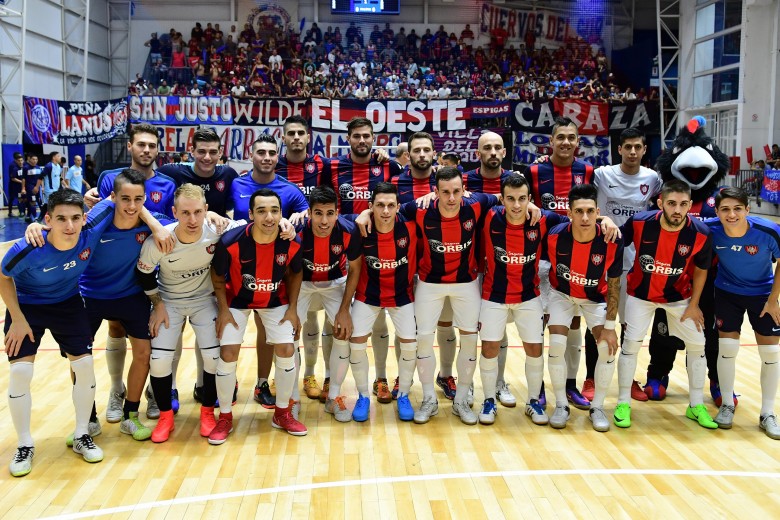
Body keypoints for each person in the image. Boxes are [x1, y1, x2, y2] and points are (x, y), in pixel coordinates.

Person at [23, 169, 172, 441]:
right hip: (89, 296)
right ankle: (88, 420)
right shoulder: (98, 218)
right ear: (112, 197)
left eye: (138, 199)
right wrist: (35, 224)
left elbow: (182, 225)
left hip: (131, 295)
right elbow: (63, 223)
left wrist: (212, 216)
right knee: (80, 360)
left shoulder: (151, 222)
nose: (131, 206)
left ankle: (130, 415)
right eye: (124, 198)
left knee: (143, 353)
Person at [1, 190, 115, 476]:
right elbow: (3, 276)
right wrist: (17, 318)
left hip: (68, 303)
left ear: (84, 218)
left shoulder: (90, 228)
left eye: (76, 218)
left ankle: (81, 435)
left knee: (85, 366)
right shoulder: (29, 247)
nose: (70, 226)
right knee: (20, 373)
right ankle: (24, 444)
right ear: (47, 220)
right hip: (26, 307)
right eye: (61, 219)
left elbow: (117, 199)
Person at [135, 184, 243, 443]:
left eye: (198, 212)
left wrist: (286, 223)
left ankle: (207, 412)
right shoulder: (159, 240)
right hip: (168, 301)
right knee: (160, 361)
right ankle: (165, 417)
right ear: (174, 212)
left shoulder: (216, 230)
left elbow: (250, 225)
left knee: (213, 359)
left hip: (204, 300)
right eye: (185, 213)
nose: (192, 220)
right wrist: (157, 304)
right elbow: (143, 274)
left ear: (206, 210)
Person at [615, 180, 717, 430]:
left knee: (698, 344)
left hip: (679, 297)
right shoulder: (640, 222)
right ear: (660, 203)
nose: (677, 210)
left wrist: (694, 304)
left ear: (690, 205)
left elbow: (702, 271)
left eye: (683, 204)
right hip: (640, 294)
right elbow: (615, 244)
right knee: (630, 345)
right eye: (671, 204)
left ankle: (695, 406)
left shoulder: (701, 233)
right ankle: (623, 403)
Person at [210, 188, 307, 443]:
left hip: (276, 300)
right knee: (228, 353)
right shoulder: (230, 242)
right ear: (251, 214)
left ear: (281, 214)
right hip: (236, 301)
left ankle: (282, 413)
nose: (269, 217)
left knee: (287, 349)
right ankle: (225, 417)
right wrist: (222, 310)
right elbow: (218, 277)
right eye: (261, 211)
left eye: (274, 211)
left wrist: (294, 309)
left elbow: (296, 274)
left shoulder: (291, 243)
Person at [580, 128, 662, 403]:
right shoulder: (602, 174)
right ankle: (591, 376)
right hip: (600, 258)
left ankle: (627, 380)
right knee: (599, 320)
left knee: (630, 325)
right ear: (619, 149)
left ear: (644, 149)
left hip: (635, 261)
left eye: (637, 147)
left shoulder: (652, 179)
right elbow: (573, 172)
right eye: (627, 146)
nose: (632, 152)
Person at [478, 174, 567, 426]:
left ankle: (532, 402)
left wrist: (605, 221)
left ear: (530, 199)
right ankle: (488, 399)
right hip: (494, 295)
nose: (516, 205)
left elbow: (577, 222)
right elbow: (467, 198)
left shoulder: (544, 219)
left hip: (529, 295)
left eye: (522, 199)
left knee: (534, 350)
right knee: (489, 349)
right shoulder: (489, 216)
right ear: (501, 200)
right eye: (510, 199)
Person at [229, 135, 308, 408]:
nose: (266, 157)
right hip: (237, 270)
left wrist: (292, 223)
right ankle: (226, 381)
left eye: (271, 153)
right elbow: (217, 213)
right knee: (227, 334)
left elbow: (305, 213)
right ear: (251, 155)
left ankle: (262, 382)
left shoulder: (288, 189)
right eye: (261, 152)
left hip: (271, 273)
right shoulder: (235, 183)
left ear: (278, 156)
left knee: (265, 330)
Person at [330, 117, 403, 403]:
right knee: (333, 323)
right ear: (348, 137)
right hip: (342, 251)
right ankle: (329, 380)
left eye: (367, 136)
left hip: (380, 251)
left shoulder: (388, 166)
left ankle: (381, 378)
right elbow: (325, 204)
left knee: (381, 319)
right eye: (357, 135)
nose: (362, 140)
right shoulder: (332, 167)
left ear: (374, 138)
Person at [525, 116, 595, 410]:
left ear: (578, 142)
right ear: (551, 141)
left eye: (571, 137)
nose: (566, 142)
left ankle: (570, 384)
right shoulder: (534, 170)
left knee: (574, 322)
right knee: (541, 325)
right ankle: (539, 386)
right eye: (560, 137)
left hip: (578, 257)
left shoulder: (588, 171)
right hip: (541, 259)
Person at [333, 183, 418, 422]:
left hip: (402, 296)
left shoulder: (411, 226)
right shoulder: (359, 228)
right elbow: (334, 215)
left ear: (398, 207)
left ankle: (403, 394)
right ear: (370, 207)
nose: (386, 211)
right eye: (379, 205)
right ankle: (362, 396)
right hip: (368, 296)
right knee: (357, 343)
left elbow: (433, 203)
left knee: (411, 345)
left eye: (391, 205)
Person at [543, 184, 623, 431]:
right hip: (561, 295)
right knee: (556, 345)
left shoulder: (611, 239)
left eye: (591, 211)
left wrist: (610, 326)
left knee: (608, 348)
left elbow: (614, 284)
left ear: (598, 212)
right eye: (579, 211)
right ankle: (560, 405)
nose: (585, 217)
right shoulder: (555, 234)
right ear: (569, 213)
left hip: (595, 298)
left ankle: (597, 406)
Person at [705, 187, 780, 438]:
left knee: (771, 353)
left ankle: (768, 413)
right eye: (725, 209)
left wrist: (773, 300)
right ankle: (727, 404)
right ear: (717, 211)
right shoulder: (710, 229)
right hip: (727, 294)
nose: (732, 214)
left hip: (763, 296)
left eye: (738, 208)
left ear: (748, 210)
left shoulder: (768, 231)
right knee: (727, 350)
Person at [463, 130, 519, 408]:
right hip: (469, 265)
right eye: (487, 148)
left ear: (505, 152)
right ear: (478, 153)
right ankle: (470, 384)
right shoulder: (463, 180)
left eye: (498, 147)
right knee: (471, 329)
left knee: (500, 328)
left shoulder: (516, 180)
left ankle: (497, 381)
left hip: (504, 265)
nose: (493, 152)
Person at [292, 185, 358, 418]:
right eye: (318, 213)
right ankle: (291, 398)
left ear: (337, 213)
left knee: (343, 331)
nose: (324, 220)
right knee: (286, 335)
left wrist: (344, 310)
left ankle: (334, 394)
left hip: (335, 282)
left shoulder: (349, 230)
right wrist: (290, 308)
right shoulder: (295, 230)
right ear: (308, 213)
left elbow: (356, 269)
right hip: (302, 284)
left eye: (330, 213)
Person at [158, 128, 239, 217]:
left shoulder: (228, 174)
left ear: (220, 153)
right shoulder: (172, 171)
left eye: (213, 152)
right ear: (192, 151)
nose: (207, 157)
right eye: (201, 152)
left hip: (218, 230)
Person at [37, 151, 63, 220]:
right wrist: (37, 187)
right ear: (54, 157)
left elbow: (59, 177)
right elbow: (40, 177)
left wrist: (64, 185)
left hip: (56, 189)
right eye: (58, 156)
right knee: (54, 204)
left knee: (47, 204)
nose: (60, 157)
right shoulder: (49, 166)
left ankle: (39, 219)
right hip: (49, 189)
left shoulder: (58, 166)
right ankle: (53, 218)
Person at [22, 154, 42, 223]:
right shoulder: (26, 168)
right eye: (33, 159)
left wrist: (42, 187)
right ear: (29, 159)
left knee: (36, 201)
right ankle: (35, 217)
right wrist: (23, 188)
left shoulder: (38, 168)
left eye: (36, 159)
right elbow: (23, 179)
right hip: (30, 187)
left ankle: (28, 216)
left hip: (37, 187)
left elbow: (40, 178)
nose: (35, 161)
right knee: (33, 202)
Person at [7, 152, 25, 218]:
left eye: (21, 160)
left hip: (21, 185)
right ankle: (10, 212)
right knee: (12, 198)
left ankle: (22, 212)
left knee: (21, 198)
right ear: (15, 159)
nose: (20, 162)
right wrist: (22, 182)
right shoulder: (13, 166)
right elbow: (12, 178)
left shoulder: (24, 166)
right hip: (14, 186)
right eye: (18, 160)